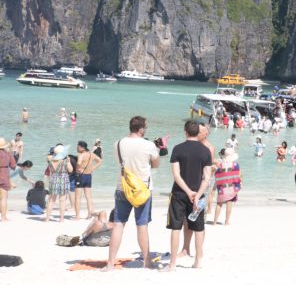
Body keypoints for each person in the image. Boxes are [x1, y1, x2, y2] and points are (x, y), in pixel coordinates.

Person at [104, 116, 160, 271]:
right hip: (142, 190)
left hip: (122, 187)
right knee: (142, 225)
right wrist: (158, 150)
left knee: (118, 224)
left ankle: (110, 263)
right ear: (141, 128)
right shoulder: (148, 145)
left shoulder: (118, 143)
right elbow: (155, 165)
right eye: (145, 127)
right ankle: (147, 262)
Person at [167, 120, 213, 271]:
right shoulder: (205, 151)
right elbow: (207, 177)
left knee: (176, 228)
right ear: (198, 133)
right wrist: (197, 195)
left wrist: (188, 192)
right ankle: (198, 261)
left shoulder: (177, 149)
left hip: (180, 193)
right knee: (199, 227)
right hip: (198, 195)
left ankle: (172, 264)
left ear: (185, 132)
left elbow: (176, 175)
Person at [73, 140, 101, 219]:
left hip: (81, 176)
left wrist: (78, 169)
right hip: (88, 176)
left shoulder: (81, 155)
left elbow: (78, 163)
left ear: (82, 148)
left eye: (78, 147)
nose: (77, 148)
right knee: (88, 197)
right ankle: (89, 214)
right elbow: (99, 161)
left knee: (78, 197)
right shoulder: (91, 154)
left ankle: (77, 216)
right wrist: (92, 168)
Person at [45, 145, 74, 223]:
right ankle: (61, 219)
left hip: (53, 179)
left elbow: (49, 156)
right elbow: (71, 170)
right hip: (63, 179)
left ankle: (47, 219)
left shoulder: (50, 160)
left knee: (51, 200)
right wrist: (68, 161)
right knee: (62, 200)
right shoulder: (65, 161)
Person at [213, 148, 242, 226]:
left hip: (222, 188)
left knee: (219, 204)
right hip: (231, 187)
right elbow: (238, 176)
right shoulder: (235, 165)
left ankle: (215, 222)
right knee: (229, 203)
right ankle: (226, 222)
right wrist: (239, 185)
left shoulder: (220, 165)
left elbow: (217, 176)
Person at [0, 137, 14, 221]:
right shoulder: (7, 154)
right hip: (4, 175)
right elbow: (13, 166)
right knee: (3, 198)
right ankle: (3, 217)